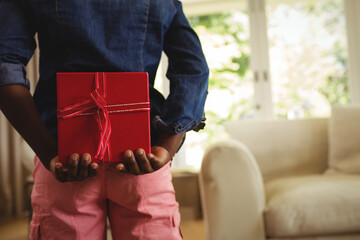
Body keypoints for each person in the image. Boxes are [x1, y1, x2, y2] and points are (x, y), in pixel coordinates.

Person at [0, 0, 208, 239]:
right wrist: (166, 147)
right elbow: (193, 69)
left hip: (65, 156)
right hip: (142, 154)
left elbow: (5, 67)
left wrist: (50, 155)